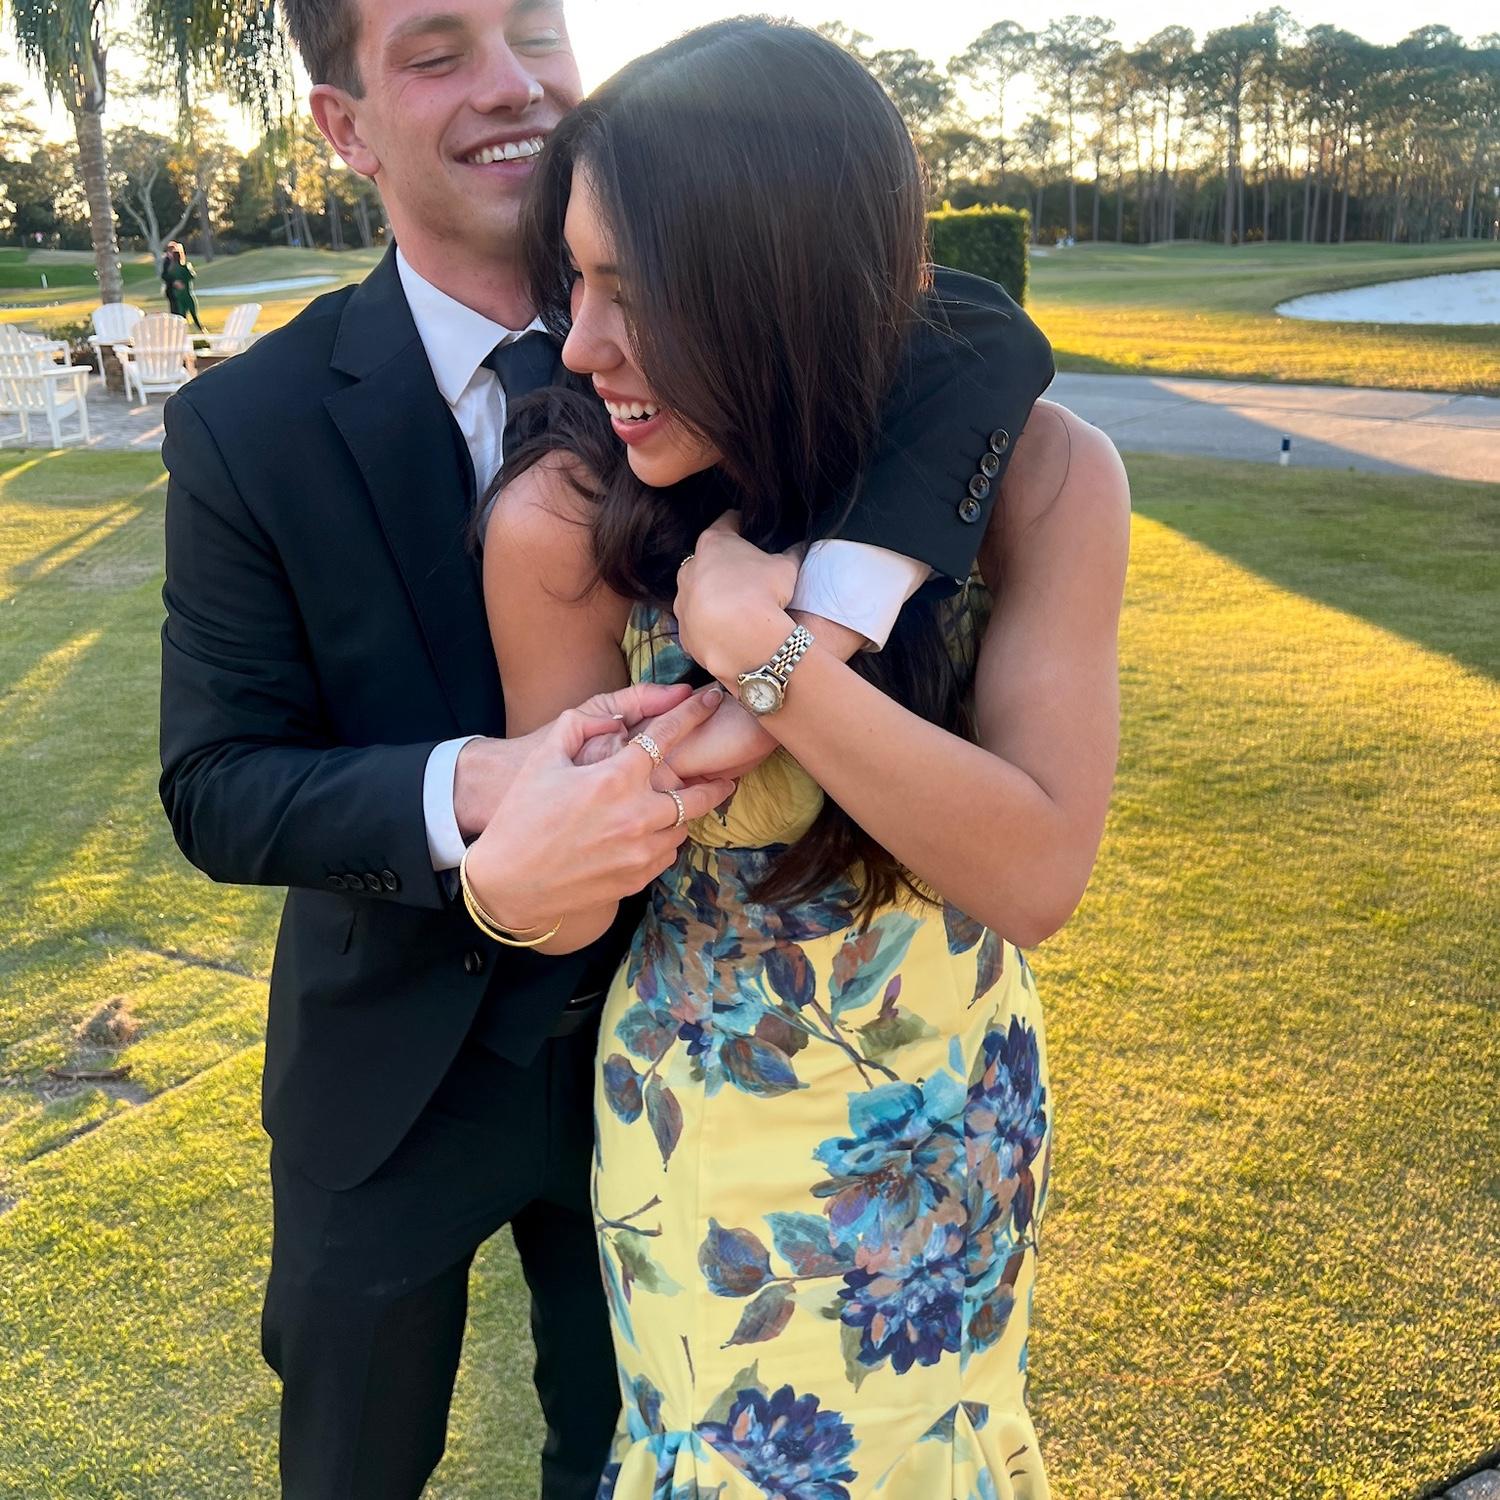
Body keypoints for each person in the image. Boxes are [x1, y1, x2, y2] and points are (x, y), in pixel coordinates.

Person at [157, 2, 1053, 1497]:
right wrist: (486, 792)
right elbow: (215, 780)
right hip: (396, 1062)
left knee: (629, 1448)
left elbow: (985, 331)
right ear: (342, 124)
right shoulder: (249, 425)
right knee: (351, 1460)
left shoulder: (726, 325)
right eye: (438, 52)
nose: (514, 83)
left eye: (534, 28)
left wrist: (813, 627)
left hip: (682, 1063)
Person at [469, 19, 1129, 1498]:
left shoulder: (1047, 479)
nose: (582, 344)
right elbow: (561, 906)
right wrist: (513, 877)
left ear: (780, 281)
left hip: (958, 1099)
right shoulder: (566, 522)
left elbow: (1035, 873)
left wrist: (764, 657)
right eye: (577, 280)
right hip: (714, 1126)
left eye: (636, 292)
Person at [162, 240, 205, 331]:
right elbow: (164, 275)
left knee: (182, 313)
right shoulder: (168, 262)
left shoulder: (179, 266)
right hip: (173, 292)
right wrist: (174, 281)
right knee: (177, 313)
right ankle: (177, 330)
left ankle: (182, 329)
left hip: (180, 293)